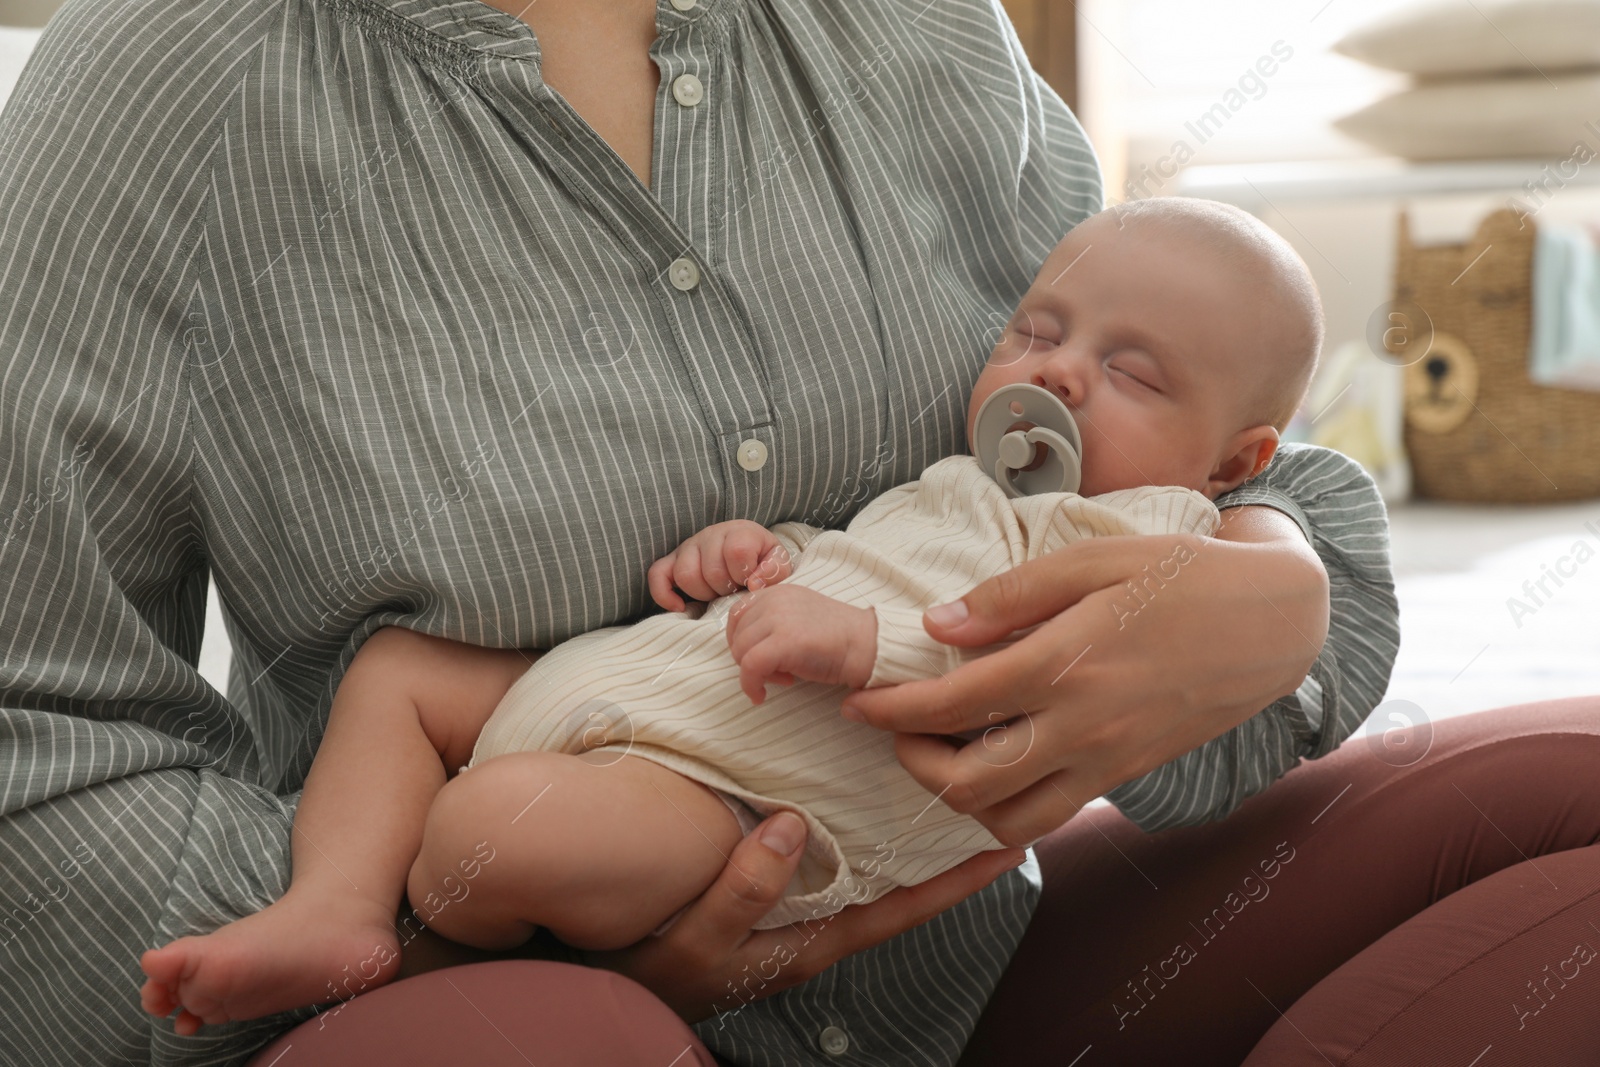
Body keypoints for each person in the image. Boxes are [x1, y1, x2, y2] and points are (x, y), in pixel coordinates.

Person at [8, 0, 1592, 1064]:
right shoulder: (162, 90)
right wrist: (475, 944)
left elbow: (1175, 402)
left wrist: (1280, 593)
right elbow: (33, 736)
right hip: (472, 972)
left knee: (1570, 790)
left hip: (946, 973)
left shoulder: (909, 26)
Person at [136, 194, 1328, 1032]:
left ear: (1236, 457)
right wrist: (766, 556)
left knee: (491, 826)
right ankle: (333, 904)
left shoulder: (1150, 536)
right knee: (397, 667)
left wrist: (858, 641)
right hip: (671, 682)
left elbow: (1018, 667)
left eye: (1130, 372)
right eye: (1037, 330)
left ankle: (433, 940)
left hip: (747, 797)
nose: (1056, 374)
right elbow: (877, 551)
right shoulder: (979, 478)